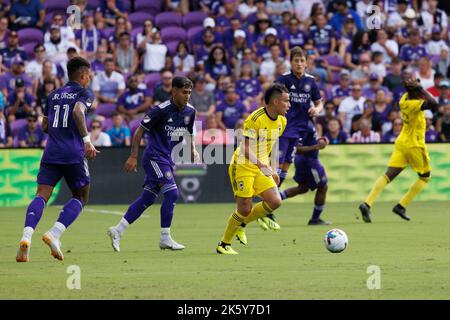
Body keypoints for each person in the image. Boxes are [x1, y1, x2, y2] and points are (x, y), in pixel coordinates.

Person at [16, 57, 98, 262]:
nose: (89, 78)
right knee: (81, 196)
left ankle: (26, 237)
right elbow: (78, 112)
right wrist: (87, 141)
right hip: (73, 153)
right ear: (82, 75)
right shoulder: (83, 93)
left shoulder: (53, 95)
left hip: (51, 152)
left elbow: (45, 126)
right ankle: (54, 233)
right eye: (88, 74)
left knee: (41, 195)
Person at [107, 77, 198, 252]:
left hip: (167, 158)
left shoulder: (190, 112)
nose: (187, 96)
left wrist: (193, 150)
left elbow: (190, 132)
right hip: (154, 157)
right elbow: (139, 131)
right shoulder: (160, 110)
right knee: (172, 193)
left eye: (189, 93)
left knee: (148, 198)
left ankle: (117, 230)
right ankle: (165, 238)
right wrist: (133, 156)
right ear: (174, 91)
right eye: (183, 92)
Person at [216, 83, 289, 254]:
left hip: (260, 166)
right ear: (275, 102)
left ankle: (241, 224)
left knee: (275, 201)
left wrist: (272, 169)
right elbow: (245, 148)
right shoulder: (255, 119)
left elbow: (269, 147)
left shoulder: (282, 121)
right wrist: (264, 167)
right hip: (242, 165)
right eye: (286, 101)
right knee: (244, 208)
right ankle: (224, 244)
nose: (289, 104)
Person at [358, 74, 439, 223]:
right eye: (419, 86)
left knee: (388, 175)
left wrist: (417, 88)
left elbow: (420, 96)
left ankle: (367, 203)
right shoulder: (414, 104)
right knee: (425, 177)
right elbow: (434, 104)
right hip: (414, 145)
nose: (422, 89)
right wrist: (421, 88)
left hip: (401, 142)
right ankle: (401, 206)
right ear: (415, 91)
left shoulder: (403, 99)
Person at [276, 46, 322, 193]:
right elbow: (272, 101)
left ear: (307, 63)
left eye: (302, 60)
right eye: (296, 60)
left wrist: (317, 110)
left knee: (286, 165)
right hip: (284, 128)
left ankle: (273, 197)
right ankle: (268, 198)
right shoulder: (283, 79)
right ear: (291, 62)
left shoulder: (311, 81)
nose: (299, 63)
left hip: (300, 130)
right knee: (277, 165)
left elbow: (319, 103)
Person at [279, 121, 330, 225]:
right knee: (323, 186)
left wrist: (321, 140)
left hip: (305, 160)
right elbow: (295, 148)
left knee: (303, 188)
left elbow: (310, 140)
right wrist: (316, 147)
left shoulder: (308, 121)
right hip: (309, 162)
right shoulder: (303, 125)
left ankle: (271, 199)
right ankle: (315, 219)